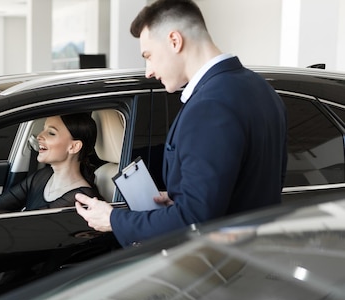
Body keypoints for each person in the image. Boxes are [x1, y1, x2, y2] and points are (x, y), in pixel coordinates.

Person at [75, 0, 287, 247]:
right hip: (256, 255)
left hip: (222, 264)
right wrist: (180, 198)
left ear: (174, 41)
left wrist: (114, 219)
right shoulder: (262, 89)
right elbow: (246, 186)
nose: (148, 71)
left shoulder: (210, 106)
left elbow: (195, 220)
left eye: (149, 56)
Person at [0, 112, 102, 216]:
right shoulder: (44, 176)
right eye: (43, 130)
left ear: (74, 147)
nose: (39, 136)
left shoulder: (81, 198)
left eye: (51, 133)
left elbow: (21, 224)